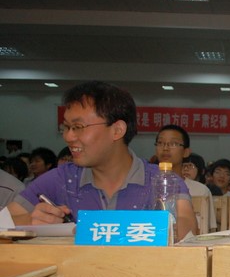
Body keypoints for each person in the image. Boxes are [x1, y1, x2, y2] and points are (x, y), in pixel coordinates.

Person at [8, 81, 197, 240]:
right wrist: (30, 222)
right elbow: (7, 221)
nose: (68, 137)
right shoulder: (62, 179)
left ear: (117, 130)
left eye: (78, 127)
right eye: (66, 127)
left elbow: (186, 233)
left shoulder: (163, 181)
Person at [154, 124, 216, 232]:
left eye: (173, 143)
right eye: (160, 143)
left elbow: (209, 231)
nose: (165, 148)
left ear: (186, 152)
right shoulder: (148, 185)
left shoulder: (201, 190)